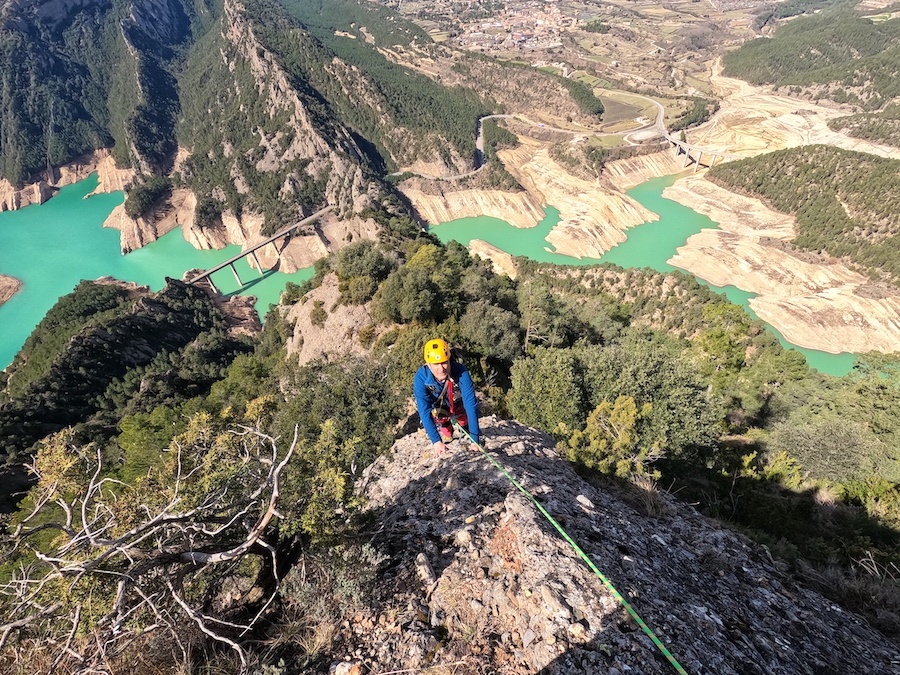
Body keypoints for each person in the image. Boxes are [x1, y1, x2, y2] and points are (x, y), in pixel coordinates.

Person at [413, 338, 480, 455]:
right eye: (436, 364)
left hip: (455, 400)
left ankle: (464, 427)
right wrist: (436, 441)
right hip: (438, 405)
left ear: (449, 360)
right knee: (445, 427)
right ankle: (447, 429)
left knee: (464, 419)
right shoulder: (421, 378)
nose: (441, 368)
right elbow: (424, 411)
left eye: (444, 362)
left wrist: (475, 439)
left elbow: (471, 405)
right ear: (428, 365)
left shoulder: (460, 372)